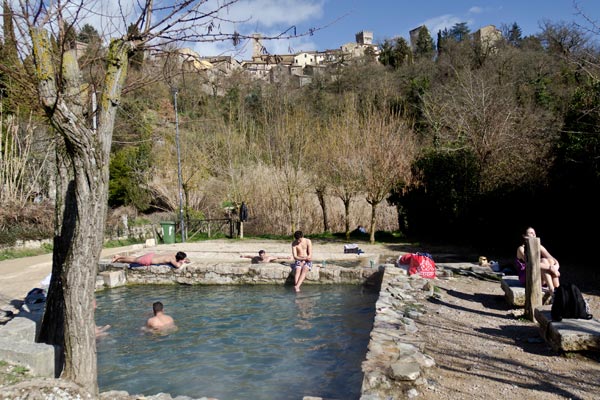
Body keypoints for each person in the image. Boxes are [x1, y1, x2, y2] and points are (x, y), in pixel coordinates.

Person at [516, 226, 560, 303]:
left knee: (548, 260)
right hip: (527, 277)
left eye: (534, 233)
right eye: (531, 233)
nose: (534, 234)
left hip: (539, 277)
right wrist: (550, 268)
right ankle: (553, 291)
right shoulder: (521, 249)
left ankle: (557, 290)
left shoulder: (539, 246)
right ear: (524, 236)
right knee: (543, 261)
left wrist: (556, 267)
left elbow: (553, 259)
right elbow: (531, 263)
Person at [111, 251, 190, 268]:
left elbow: (180, 257)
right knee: (133, 260)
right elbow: (177, 266)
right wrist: (183, 262)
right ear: (180, 259)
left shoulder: (173, 254)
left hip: (151, 255)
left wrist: (184, 259)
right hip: (148, 260)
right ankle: (118, 257)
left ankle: (119, 258)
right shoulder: (171, 259)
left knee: (134, 258)